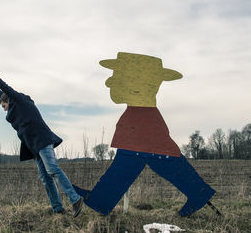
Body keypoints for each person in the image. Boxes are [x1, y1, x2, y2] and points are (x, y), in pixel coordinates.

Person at [73, 52, 216, 217]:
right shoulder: (137, 112)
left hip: (142, 133)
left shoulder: (141, 115)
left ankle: (101, 201)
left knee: (131, 164)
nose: (111, 82)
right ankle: (101, 201)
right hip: (142, 132)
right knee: (141, 164)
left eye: (120, 75)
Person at [0, 59, 83, 217]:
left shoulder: (19, 101)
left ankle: (75, 200)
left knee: (53, 169)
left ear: (8, 101)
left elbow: (5, 89)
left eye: (3, 106)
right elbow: (2, 94)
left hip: (41, 139)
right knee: (45, 177)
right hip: (34, 146)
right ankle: (58, 209)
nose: (3, 109)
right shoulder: (13, 108)